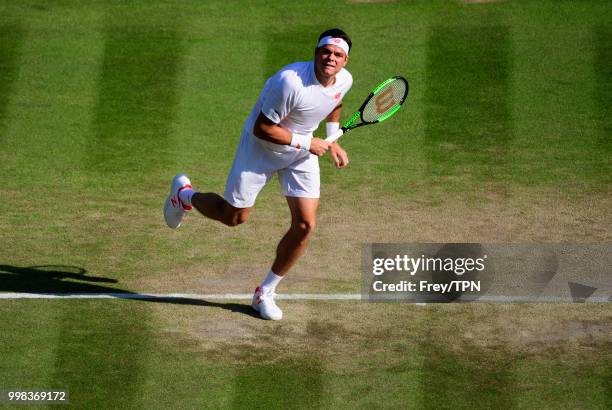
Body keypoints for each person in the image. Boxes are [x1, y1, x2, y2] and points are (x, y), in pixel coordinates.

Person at [163, 28, 353, 320]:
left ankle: (265, 292)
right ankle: (184, 196)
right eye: (325, 52)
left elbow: (334, 101)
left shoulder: (344, 81)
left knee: (305, 226)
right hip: (262, 149)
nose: (330, 58)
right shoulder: (289, 82)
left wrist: (332, 138)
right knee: (234, 217)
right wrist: (307, 142)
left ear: (345, 61)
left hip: (301, 154)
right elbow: (262, 128)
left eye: (337, 55)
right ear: (315, 53)